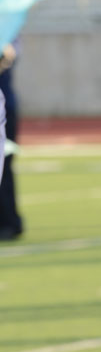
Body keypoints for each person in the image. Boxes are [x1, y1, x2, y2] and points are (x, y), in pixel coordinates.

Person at [0, 40, 22, 241]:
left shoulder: (7, 34)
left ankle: (10, 222)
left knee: (4, 165)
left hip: (5, 110)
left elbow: (9, 57)